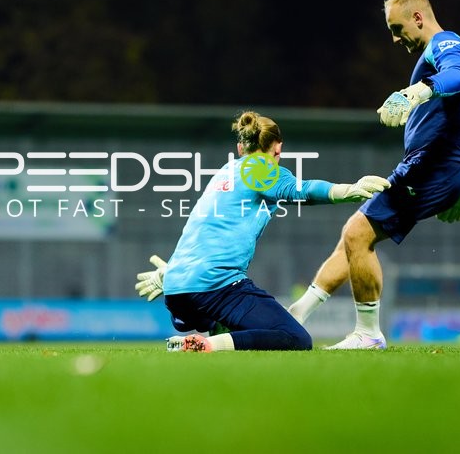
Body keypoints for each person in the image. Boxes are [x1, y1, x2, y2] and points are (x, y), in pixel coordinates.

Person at [287, 0, 460, 349]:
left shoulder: (445, 45)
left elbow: (455, 76)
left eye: (397, 29)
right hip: (441, 170)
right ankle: (297, 314)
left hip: (431, 167)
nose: (395, 39)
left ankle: (368, 334)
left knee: (356, 234)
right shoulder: (454, 58)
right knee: (351, 241)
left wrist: (415, 93)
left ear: (417, 18)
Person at [135, 110, 391, 352]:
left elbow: (205, 230)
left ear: (239, 148)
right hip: (214, 288)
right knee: (295, 338)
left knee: (234, 325)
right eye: (277, 155)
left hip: (177, 290)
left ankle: (208, 331)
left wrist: (172, 272)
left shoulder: (225, 173)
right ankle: (204, 345)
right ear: (276, 150)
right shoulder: (260, 167)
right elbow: (301, 190)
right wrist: (347, 191)